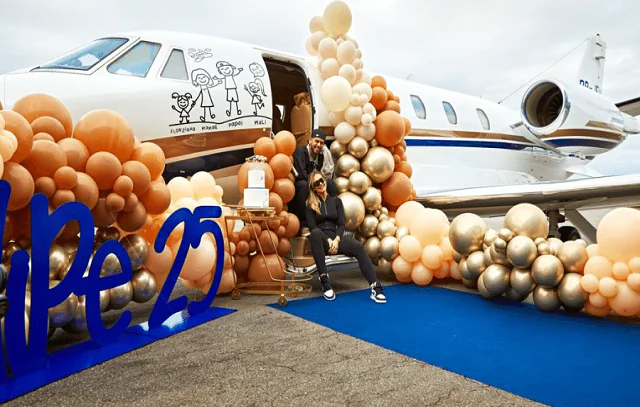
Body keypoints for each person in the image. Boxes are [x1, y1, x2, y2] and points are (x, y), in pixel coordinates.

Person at [305, 170, 386, 303]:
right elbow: (313, 227)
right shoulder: (310, 205)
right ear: (313, 188)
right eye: (316, 183)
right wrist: (328, 240)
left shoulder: (336, 202)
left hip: (336, 238)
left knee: (357, 246)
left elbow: (341, 224)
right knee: (315, 233)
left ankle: (375, 286)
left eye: (322, 180)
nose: (321, 184)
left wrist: (336, 240)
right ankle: (324, 280)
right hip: (321, 241)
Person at [292, 129, 336, 233]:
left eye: (321, 143)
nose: (318, 145)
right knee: (302, 185)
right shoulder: (300, 152)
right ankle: (303, 224)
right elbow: (301, 174)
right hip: (303, 184)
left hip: (314, 183)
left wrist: (320, 184)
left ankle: (329, 221)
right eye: (316, 141)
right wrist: (315, 185)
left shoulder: (321, 156)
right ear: (310, 140)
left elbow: (324, 173)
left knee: (331, 185)